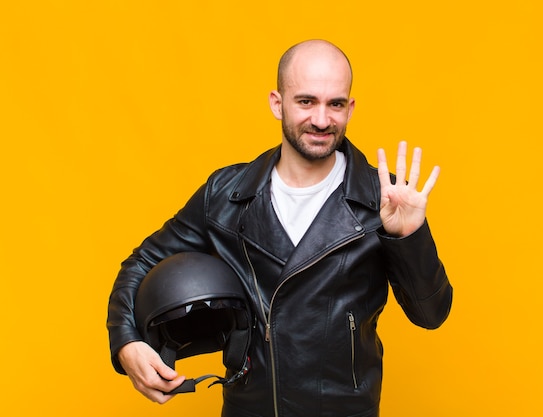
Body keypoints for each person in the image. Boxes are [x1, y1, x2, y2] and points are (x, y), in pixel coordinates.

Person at [107, 39, 453, 417]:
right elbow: (141, 264)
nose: (322, 120)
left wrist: (409, 237)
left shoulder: (383, 198)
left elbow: (431, 314)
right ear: (277, 103)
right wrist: (127, 343)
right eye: (306, 101)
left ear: (350, 108)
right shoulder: (225, 194)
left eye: (335, 104)